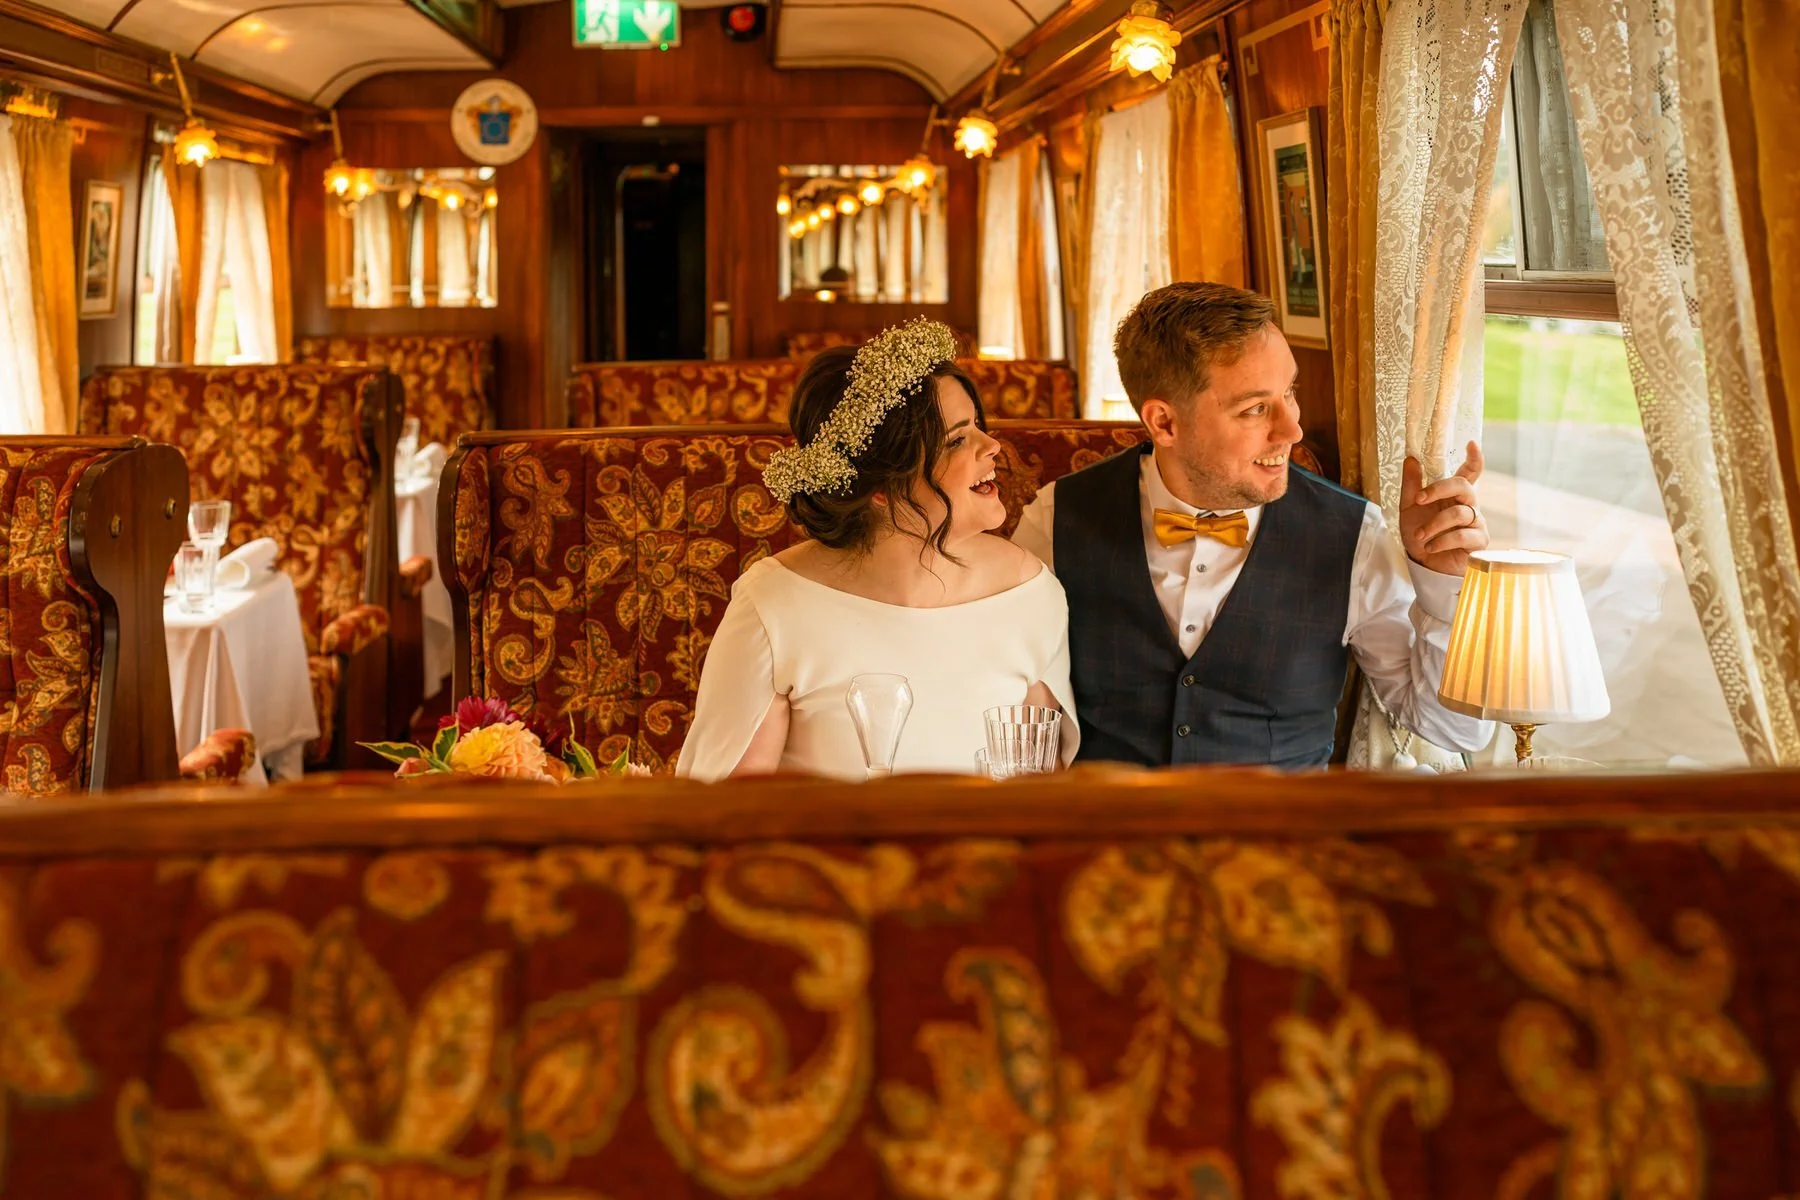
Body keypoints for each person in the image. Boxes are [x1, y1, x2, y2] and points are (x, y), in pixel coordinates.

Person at [1011, 282, 1493, 768]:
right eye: (1256, 408)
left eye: (1290, 392)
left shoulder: (1352, 535)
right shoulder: (1055, 519)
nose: (1293, 430)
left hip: (1282, 818)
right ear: (1164, 423)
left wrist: (1442, 584)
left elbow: (1454, 730)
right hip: (1108, 817)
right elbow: (1008, 709)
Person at [678, 319, 1077, 781]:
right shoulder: (774, 608)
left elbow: (1039, 784)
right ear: (882, 490)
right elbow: (732, 805)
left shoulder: (1031, 594)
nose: (992, 446)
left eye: (978, 426)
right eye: (956, 440)